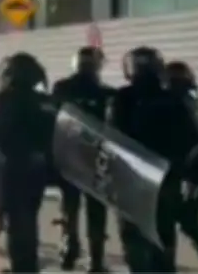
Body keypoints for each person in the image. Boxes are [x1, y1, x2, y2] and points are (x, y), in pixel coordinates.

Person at [110, 47, 198, 272]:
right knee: (164, 246)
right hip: (166, 183)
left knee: (136, 252)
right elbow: (193, 142)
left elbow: (111, 139)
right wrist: (190, 177)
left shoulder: (122, 98)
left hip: (131, 184)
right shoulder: (174, 100)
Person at [0, 53, 54, 273]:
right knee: (29, 217)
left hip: (11, 167)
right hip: (37, 169)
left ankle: (22, 267)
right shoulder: (44, 102)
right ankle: (29, 265)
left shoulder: (5, 100)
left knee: (16, 224)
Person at [52, 46, 115, 272]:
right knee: (96, 211)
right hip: (97, 160)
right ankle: (96, 261)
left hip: (68, 156)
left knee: (70, 207)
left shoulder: (61, 88)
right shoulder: (107, 94)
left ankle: (69, 249)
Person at [166, 60, 198, 253]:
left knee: (186, 219)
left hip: (188, 169)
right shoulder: (190, 98)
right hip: (189, 169)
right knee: (187, 219)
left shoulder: (182, 101)